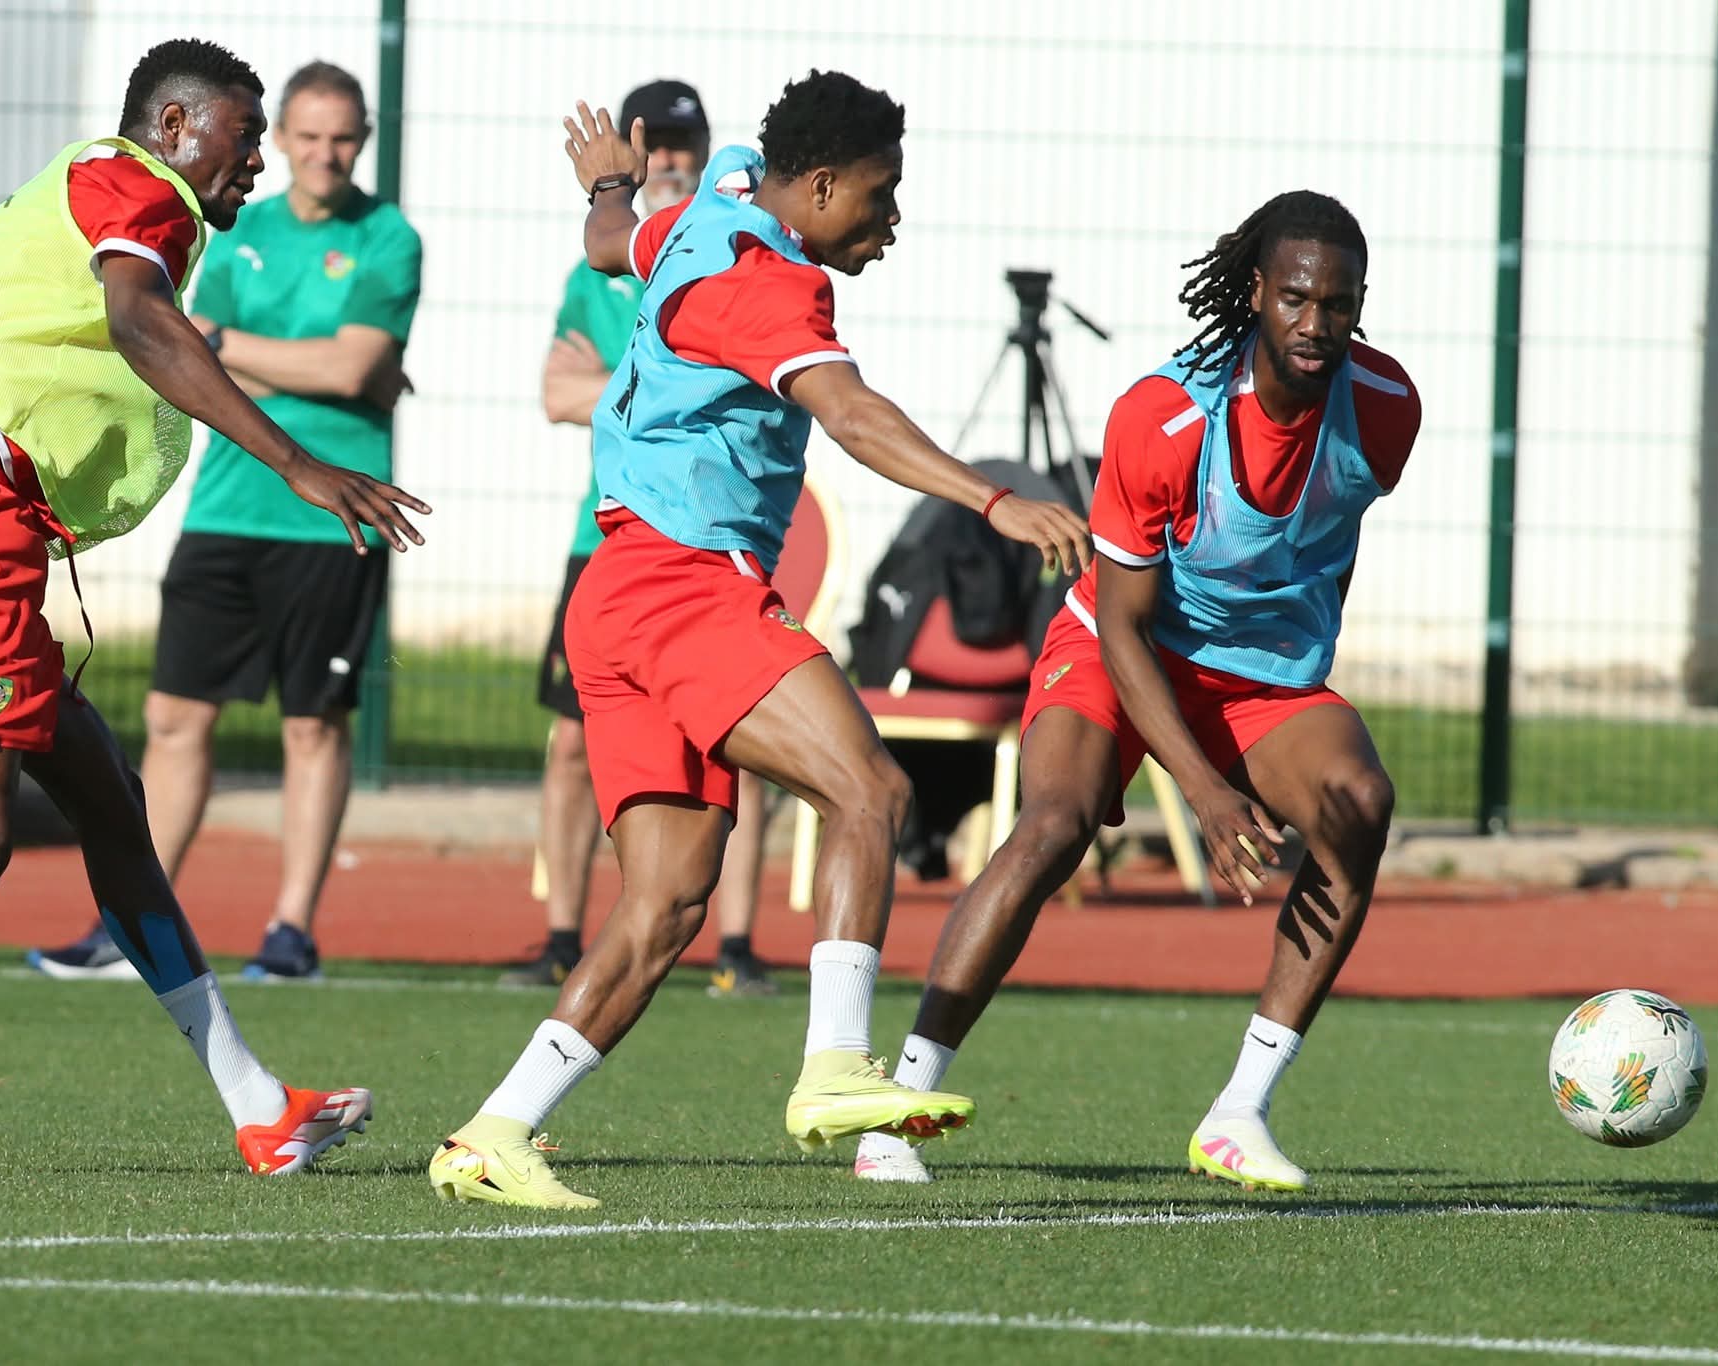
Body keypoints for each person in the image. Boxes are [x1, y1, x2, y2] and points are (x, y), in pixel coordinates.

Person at [428, 71, 1091, 1210]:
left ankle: (493, 1134)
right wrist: (994, 500)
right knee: (870, 790)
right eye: (880, 195)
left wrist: (605, 188)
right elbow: (853, 414)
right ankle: (834, 1065)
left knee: (665, 905)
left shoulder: (715, 204)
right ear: (820, 186)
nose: (892, 221)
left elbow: (610, 246)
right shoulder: (764, 282)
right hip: (685, 587)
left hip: (615, 592)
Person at [0, 38, 429, 1177]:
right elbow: (139, 322)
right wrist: (294, 462)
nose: (254, 164)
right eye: (242, 138)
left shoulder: (73, 188)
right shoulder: (139, 184)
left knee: (108, 798)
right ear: (174, 127)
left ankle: (260, 1105)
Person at [855, 191, 1421, 1190]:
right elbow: (1121, 622)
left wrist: (1272, 683)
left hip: (1258, 678)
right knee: (1052, 826)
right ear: (1256, 292)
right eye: (1294, 298)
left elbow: (1322, 535)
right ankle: (898, 1107)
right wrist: (1204, 791)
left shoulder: (1386, 408)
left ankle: (1238, 1113)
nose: (1315, 323)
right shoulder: (1164, 417)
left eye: (1338, 304)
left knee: (1359, 803)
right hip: (1123, 648)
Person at [27, 59, 422, 983]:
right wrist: (303, 362)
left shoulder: (389, 238)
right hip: (227, 508)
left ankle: (291, 934)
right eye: (308, 136)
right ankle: (138, 922)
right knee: (173, 718)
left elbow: (348, 366)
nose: (325, 154)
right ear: (280, 139)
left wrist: (235, 348)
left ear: (363, 141)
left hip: (334, 518)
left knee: (312, 727)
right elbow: (185, 349)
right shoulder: (232, 224)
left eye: (343, 137)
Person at [507, 77, 777, 999]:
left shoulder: (731, 250)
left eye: (680, 146)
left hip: (714, 539)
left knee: (746, 737)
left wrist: (623, 387)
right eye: (650, 145)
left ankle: (738, 945)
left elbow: (742, 379)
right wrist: (669, 387)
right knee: (571, 743)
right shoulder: (600, 267)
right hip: (610, 535)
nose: (666, 161)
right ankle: (560, 933)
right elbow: (556, 395)